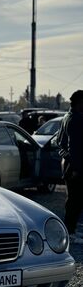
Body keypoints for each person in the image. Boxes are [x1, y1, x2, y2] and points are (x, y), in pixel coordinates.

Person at [57, 89, 83, 244]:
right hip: (75, 166)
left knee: (73, 199)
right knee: (75, 200)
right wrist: (76, 168)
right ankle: (70, 232)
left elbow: (59, 142)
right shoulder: (77, 119)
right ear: (80, 102)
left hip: (68, 164)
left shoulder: (67, 116)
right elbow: (75, 147)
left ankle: (71, 230)